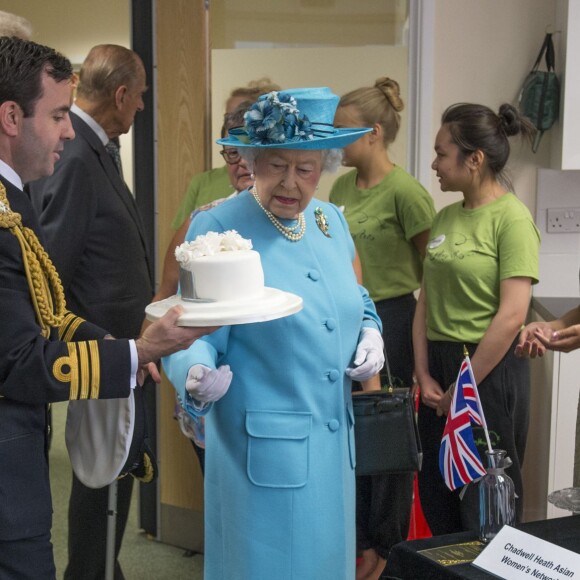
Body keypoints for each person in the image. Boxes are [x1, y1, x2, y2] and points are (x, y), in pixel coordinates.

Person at [0, 36, 215, 580]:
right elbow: (19, 357)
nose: (68, 131)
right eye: (56, 115)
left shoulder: (17, 195)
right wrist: (133, 351)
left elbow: (43, 299)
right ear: (10, 117)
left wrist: (117, 348)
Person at [162, 87, 384, 579]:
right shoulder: (217, 226)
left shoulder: (330, 222)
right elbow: (190, 330)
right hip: (261, 461)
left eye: (305, 169)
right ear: (250, 159)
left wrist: (371, 332)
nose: (291, 183)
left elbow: (354, 298)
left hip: (333, 455)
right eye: (275, 165)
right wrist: (194, 372)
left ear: (323, 166)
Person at [28, 44, 151, 580]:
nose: (141, 107)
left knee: (113, 483)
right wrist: (96, 341)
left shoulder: (98, 149)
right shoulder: (77, 157)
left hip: (120, 354)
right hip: (100, 354)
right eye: (140, 96)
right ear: (121, 94)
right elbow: (52, 269)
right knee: (101, 483)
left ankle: (100, 569)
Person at [412, 102, 540, 536]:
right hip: (440, 372)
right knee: (438, 489)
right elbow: (425, 302)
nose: (434, 164)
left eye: (441, 153)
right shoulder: (445, 216)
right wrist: (424, 373)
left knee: (489, 497)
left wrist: (459, 389)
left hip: (490, 369)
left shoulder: (513, 219)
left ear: (475, 159)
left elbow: (512, 315)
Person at [330, 76, 436, 579]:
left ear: (374, 133)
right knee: (351, 430)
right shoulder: (340, 187)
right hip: (347, 316)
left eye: (343, 131)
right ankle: (359, 543)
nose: (334, 140)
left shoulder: (407, 193)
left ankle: (386, 549)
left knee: (387, 432)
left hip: (391, 318)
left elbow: (433, 272)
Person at [170, 77, 281, 233]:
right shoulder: (205, 215)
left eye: (252, 151)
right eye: (233, 152)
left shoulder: (301, 214)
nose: (243, 161)